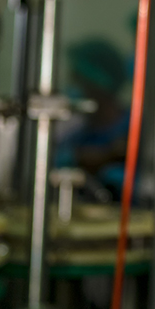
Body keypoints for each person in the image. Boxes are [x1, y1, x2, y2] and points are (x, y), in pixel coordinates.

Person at [56, 37, 132, 198]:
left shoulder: (135, 130)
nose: (72, 86)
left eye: (78, 78)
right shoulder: (77, 136)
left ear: (99, 83)